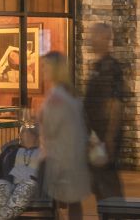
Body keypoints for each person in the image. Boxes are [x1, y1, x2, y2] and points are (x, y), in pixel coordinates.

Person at [35, 51, 91, 219]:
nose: (43, 71)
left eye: (45, 67)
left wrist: (38, 118)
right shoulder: (71, 93)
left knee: (44, 202)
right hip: (75, 156)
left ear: (55, 70)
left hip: (57, 158)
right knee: (74, 202)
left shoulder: (55, 97)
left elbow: (50, 129)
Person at [82, 23, 129, 199]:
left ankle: (116, 214)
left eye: (94, 36)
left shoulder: (111, 67)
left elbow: (115, 104)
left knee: (107, 183)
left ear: (104, 38)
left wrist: (109, 138)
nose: (90, 40)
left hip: (104, 136)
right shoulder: (97, 66)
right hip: (95, 135)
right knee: (99, 182)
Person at [0, 126, 44, 220]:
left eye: (28, 134)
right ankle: (3, 217)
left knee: (25, 188)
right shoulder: (10, 149)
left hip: (29, 183)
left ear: (35, 137)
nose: (22, 137)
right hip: (6, 181)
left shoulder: (43, 151)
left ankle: (3, 217)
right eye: (21, 134)